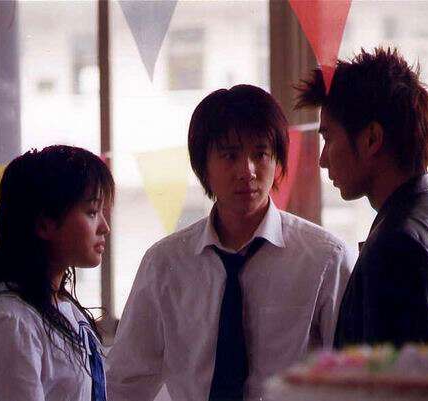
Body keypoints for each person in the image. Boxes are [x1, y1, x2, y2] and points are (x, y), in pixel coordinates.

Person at [108, 84, 354, 401]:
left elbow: (353, 375)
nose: (247, 171)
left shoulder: (324, 258)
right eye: (230, 155)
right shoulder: (165, 263)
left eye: (260, 154)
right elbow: (126, 382)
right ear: (203, 166)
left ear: (278, 160)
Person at [295, 47, 428, 353]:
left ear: (372, 139)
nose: (322, 159)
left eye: (328, 138)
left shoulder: (398, 243)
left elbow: (396, 378)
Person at [0, 145, 114, 401]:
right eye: (91, 212)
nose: (104, 227)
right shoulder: (10, 321)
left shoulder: (65, 309)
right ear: (44, 224)